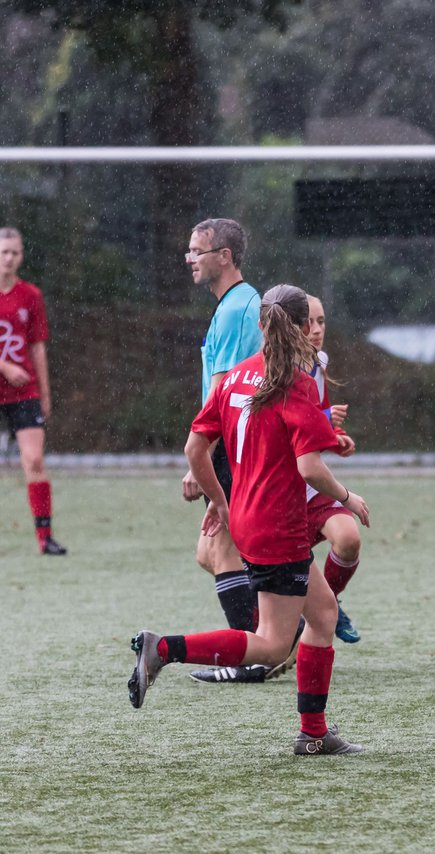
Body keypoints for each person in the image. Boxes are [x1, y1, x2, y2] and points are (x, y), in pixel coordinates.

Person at [129, 284, 371, 756]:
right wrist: (348, 495)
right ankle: (163, 649)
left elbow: (195, 448)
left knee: (321, 615)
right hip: (279, 526)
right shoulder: (295, 384)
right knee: (272, 645)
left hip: (245, 514)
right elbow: (309, 468)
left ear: (261, 325)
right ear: (304, 328)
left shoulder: (237, 376)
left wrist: (220, 501)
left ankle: (314, 735)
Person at [180, 218, 277, 684]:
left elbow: (226, 393)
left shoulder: (240, 309)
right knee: (212, 552)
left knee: (222, 550)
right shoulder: (232, 306)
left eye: (198, 251)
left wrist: (200, 457)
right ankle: (291, 628)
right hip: (232, 444)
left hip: (233, 446)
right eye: (189, 251)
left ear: (225, 256)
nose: (190, 259)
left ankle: (256, 651)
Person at [0, 227, 66, 556]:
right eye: (3, 252)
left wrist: (45, 393)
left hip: (23, 391)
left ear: (22, 256)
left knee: (34, 459)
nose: (9, 258)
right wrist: (4, 365)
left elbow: (38, 349)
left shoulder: (31, 296)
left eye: (14, 252)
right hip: (6, 379)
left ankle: (45, 538)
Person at [304, 295, 363, 644]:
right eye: (308, 322)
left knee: (348, 539)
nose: (316, 330)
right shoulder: (273, 369)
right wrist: (324, 422)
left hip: (311, 479)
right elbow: (282, 426)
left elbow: (318, 412)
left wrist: (336, 436)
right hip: (278, 486)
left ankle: (330, 603)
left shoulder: (318, 361)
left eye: (322, 321)